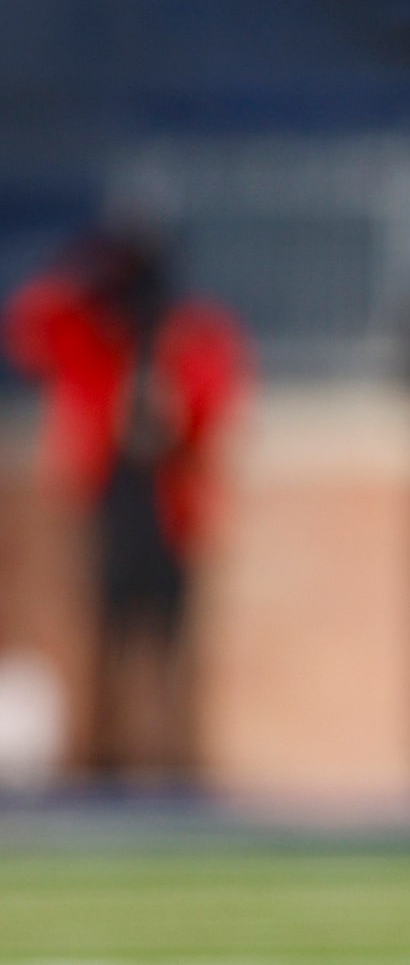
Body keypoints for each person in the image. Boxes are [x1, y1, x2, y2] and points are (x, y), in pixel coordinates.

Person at [4, 229, 247, 778]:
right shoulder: (97, 332)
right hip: (114, 502)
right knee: (107, 637)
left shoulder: (190, 332)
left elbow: (218, 401)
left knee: (172, 642)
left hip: (170, 508)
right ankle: (105, 756)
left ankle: (175, 757)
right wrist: (86, 265)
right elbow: (29, 323)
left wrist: (176, 413)